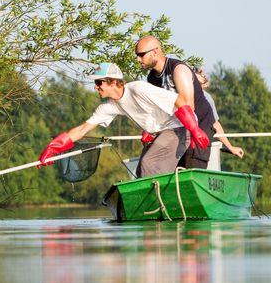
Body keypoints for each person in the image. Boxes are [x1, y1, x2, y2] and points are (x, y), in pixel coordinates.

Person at [38, 62, 209, 178]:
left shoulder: (138, 89)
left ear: (113, 82)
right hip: (162, 132)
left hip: (181, 127)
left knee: (148, 162)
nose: (95, 87)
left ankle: (156, 203)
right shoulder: (109, 106)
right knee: (143, 169)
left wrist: (194, 129)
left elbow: (179, 101)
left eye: (99, 83)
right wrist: (53, 148)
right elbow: (82, 129)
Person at [135, 36, 216, 169]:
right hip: (177, 125)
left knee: (189, 169)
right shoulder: (152, 78)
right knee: (164, 167)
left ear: (155, 52)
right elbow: (157, 109)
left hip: (199, 124)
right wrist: (150, 130)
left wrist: (194, 131)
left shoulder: (178, 69)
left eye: (141, 55)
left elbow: (189, 107)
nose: (138, 59)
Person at [194, 68, 244, 159]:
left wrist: (230, 147)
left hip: (198, 146)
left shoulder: (207, 98)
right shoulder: (185, 94)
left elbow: (215, 125)